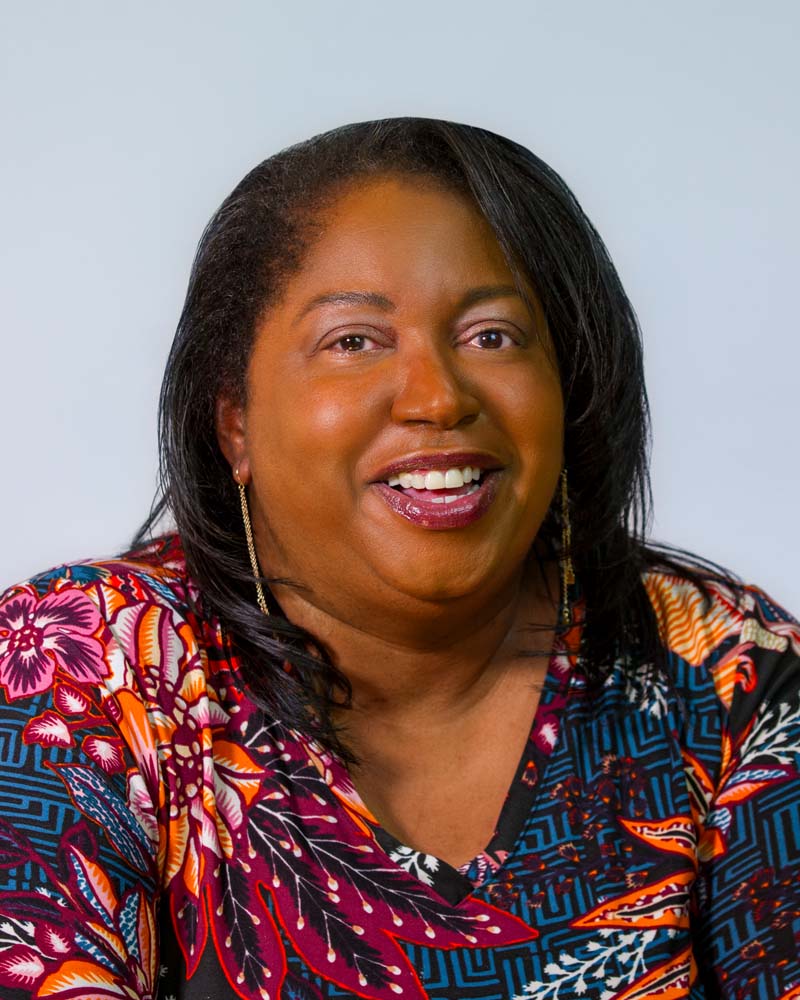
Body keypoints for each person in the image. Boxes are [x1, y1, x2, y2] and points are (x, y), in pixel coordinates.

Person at [0, 118, 798, 1000]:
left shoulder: (725, 671)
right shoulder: (84, 668)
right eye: (354, 341)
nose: (438, 397)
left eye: (492, 336)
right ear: (234, 418)